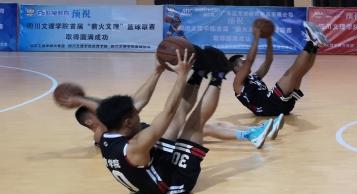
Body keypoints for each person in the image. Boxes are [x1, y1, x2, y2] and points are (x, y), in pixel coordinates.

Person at [58, 56, 279, 149]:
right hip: (155, 143)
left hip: (152, 133)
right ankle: (251, 136)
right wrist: (79, 99)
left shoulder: (112, 125)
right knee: (202, 126)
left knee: (210, 124)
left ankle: (256, 131)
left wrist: (157, 71)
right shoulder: (101, 134)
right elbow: (107, 108)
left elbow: (137, 101)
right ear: (89, 122)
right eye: (95, 112)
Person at [96, 47, 229, 194]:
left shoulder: (108, 132)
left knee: (176, 117)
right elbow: (168, 111)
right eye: (136, 115)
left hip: (150, 163)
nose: (138, 114)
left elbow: (138, 101)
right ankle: (219, 74)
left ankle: (199, 73)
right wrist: (182, 75)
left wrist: (157, 71)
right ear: (128, 123)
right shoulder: (136, 145)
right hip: (170, 184)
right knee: (193, 124)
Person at [230, 20, 328, 116]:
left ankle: (315, 46)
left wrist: (269, 38)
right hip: (268, 107)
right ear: (235, 68)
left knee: (299, 74)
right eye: (242, 62)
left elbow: (268, 60)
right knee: (290, 73)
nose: (245, 63)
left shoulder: (254, 77)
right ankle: (311, 43)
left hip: (283, 106)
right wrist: (256, 37)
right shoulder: (237, 84)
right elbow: (249, 61)